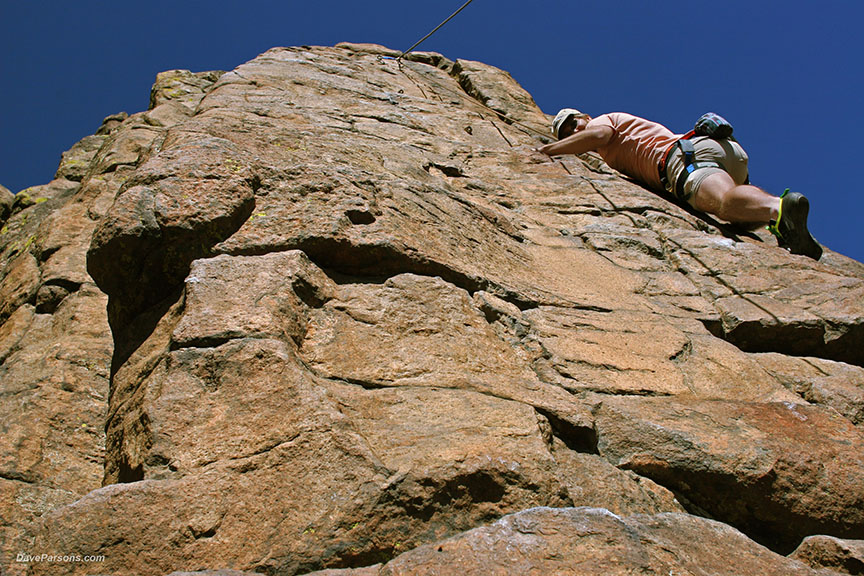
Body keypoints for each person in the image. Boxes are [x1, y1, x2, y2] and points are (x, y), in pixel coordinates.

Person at [536, 109, 822, 260]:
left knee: (723, 202)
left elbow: (599, 136)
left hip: (682, 159)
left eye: (573, 124)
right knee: (738, 217)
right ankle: (786, 229)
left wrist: (549, 150)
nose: (573, 132)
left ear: (584, 116)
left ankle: (778, 208)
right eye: (566, 132)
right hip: (722, 152)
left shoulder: (601, 122)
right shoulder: (617, 136)